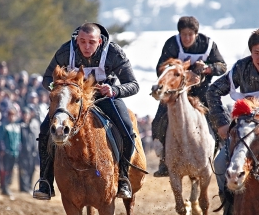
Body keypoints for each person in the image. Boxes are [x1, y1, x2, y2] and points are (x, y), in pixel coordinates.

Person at [33, 22, 139, 200]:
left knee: (127, 130)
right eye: (82, 41)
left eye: (91, 42)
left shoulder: (113, 53)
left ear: (99, 42)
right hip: (74, 101)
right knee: (45, 131)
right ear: (77, 40)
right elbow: (46, 78)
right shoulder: (66, 51)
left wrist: (115, 90)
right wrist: (57, 87)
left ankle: (122, 178)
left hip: (105, 97)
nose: (86, 46)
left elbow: (134, 85)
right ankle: (45, 181)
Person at [152, 16, 227, 177]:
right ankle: (164, 159)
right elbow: (160, 68)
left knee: (218, 117)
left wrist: (207, 68)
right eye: (183, 34)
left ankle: (223, 153)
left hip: (202, 91)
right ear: (179, 34)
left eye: (190, 34)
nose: (186, 38)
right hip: (176, 91)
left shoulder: (208, 45)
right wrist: (182, 72)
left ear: (196, 34)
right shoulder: (172, 44)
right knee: (159, 119)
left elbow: (222, 66)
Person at [206, 29, 259, 215]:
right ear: (251, 52)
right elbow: (212, 91)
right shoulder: (241, 68)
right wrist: (221, 122)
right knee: (220, 164)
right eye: (257, 53)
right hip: (245, 132)